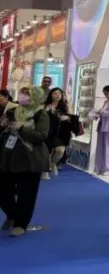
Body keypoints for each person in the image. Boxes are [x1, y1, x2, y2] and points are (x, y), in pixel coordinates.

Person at [0, 87, 50, 236]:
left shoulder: (41, 114)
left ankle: (21, 224)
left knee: (26, 193)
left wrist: (22, 128)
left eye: (27, 94)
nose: (23, 96)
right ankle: (12, 215)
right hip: (8, 156)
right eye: (22, 93)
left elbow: (41, 136)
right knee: (3, 189)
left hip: (30, 158)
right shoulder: (12, 111)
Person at [43, 87, 75, 177]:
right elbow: (41, 117)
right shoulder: (46, 105)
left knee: (60, 151)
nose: (57, 95)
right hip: (49, 131)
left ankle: (53, 164)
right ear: (51, 95)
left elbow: (72, 117)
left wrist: (67, 117)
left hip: (62, 132)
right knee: (47, 152)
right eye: (55, 93)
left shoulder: (66, 106)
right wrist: (46, 110)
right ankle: (45, 171)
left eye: (59, 93)